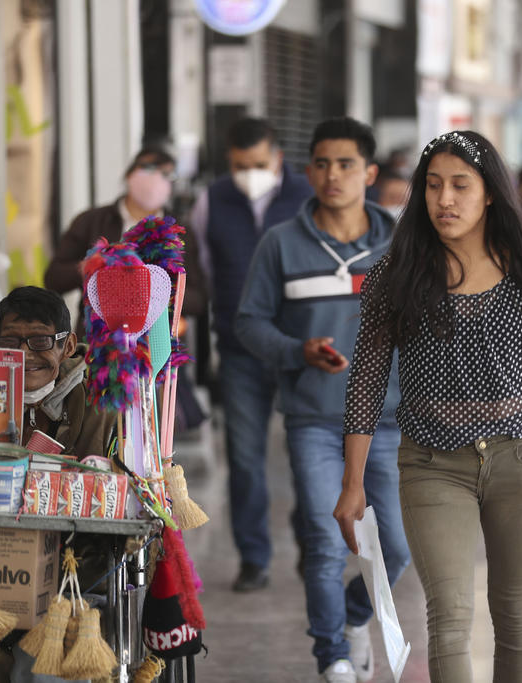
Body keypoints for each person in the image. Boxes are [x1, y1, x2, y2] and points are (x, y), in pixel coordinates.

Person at [335, 130, 522, 683]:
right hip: (430, 464)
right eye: (433, 186)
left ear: (490, 192)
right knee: (448, 617)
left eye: (460, 185)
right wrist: (353, 482)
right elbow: (367, 381)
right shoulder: (396, 274)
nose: (444, 199)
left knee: (514, 615)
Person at [236, 117, 408, 683]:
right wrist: (297, 351)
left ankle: (356, 617)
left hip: (387, 419)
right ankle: (332, 655)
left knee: (397, 548)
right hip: (314, 419)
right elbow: (249, 323)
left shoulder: (401, 244)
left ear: (370, 173)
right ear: (308, 172)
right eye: (323, 164)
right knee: (325, 541)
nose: (334, 175)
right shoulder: (280, 244)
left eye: (347, 164)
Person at [188, 118, 312, 593]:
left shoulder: (306, 195)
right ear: (229, 161)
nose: (249, 174)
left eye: (258, 164)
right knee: (244, 459)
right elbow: (202, 271)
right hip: (239, 349)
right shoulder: (212, 200)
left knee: (308, 455)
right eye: (240, 166)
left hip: (300, 348)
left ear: (276, 157)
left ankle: (312, 549)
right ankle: (253, 559)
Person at [44, 147, 207, 330]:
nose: (155, 179)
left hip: (157, 339)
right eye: (148, 168)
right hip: (98, 336)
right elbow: (53, 279)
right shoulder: (92, 221)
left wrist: (157, 290)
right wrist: (90, 266)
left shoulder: (179, 233)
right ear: (130, 174)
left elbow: (198, 299)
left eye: (166, 174)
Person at [0, 286, 115, 456]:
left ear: (68, 346)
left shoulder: (99, 408)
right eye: (9, 341)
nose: (24, 354)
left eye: (40, 341)